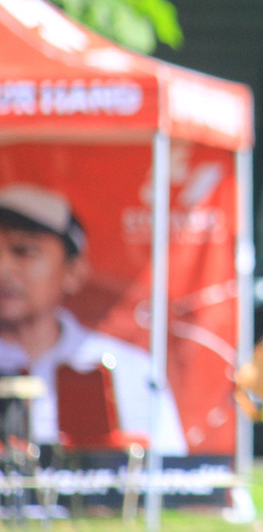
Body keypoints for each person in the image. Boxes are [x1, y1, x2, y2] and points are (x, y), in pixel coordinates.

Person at [0, 182, 187, 456]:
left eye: (24, 251)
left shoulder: (128, 372)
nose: (3, 268)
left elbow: (175, 483)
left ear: (74, 271)